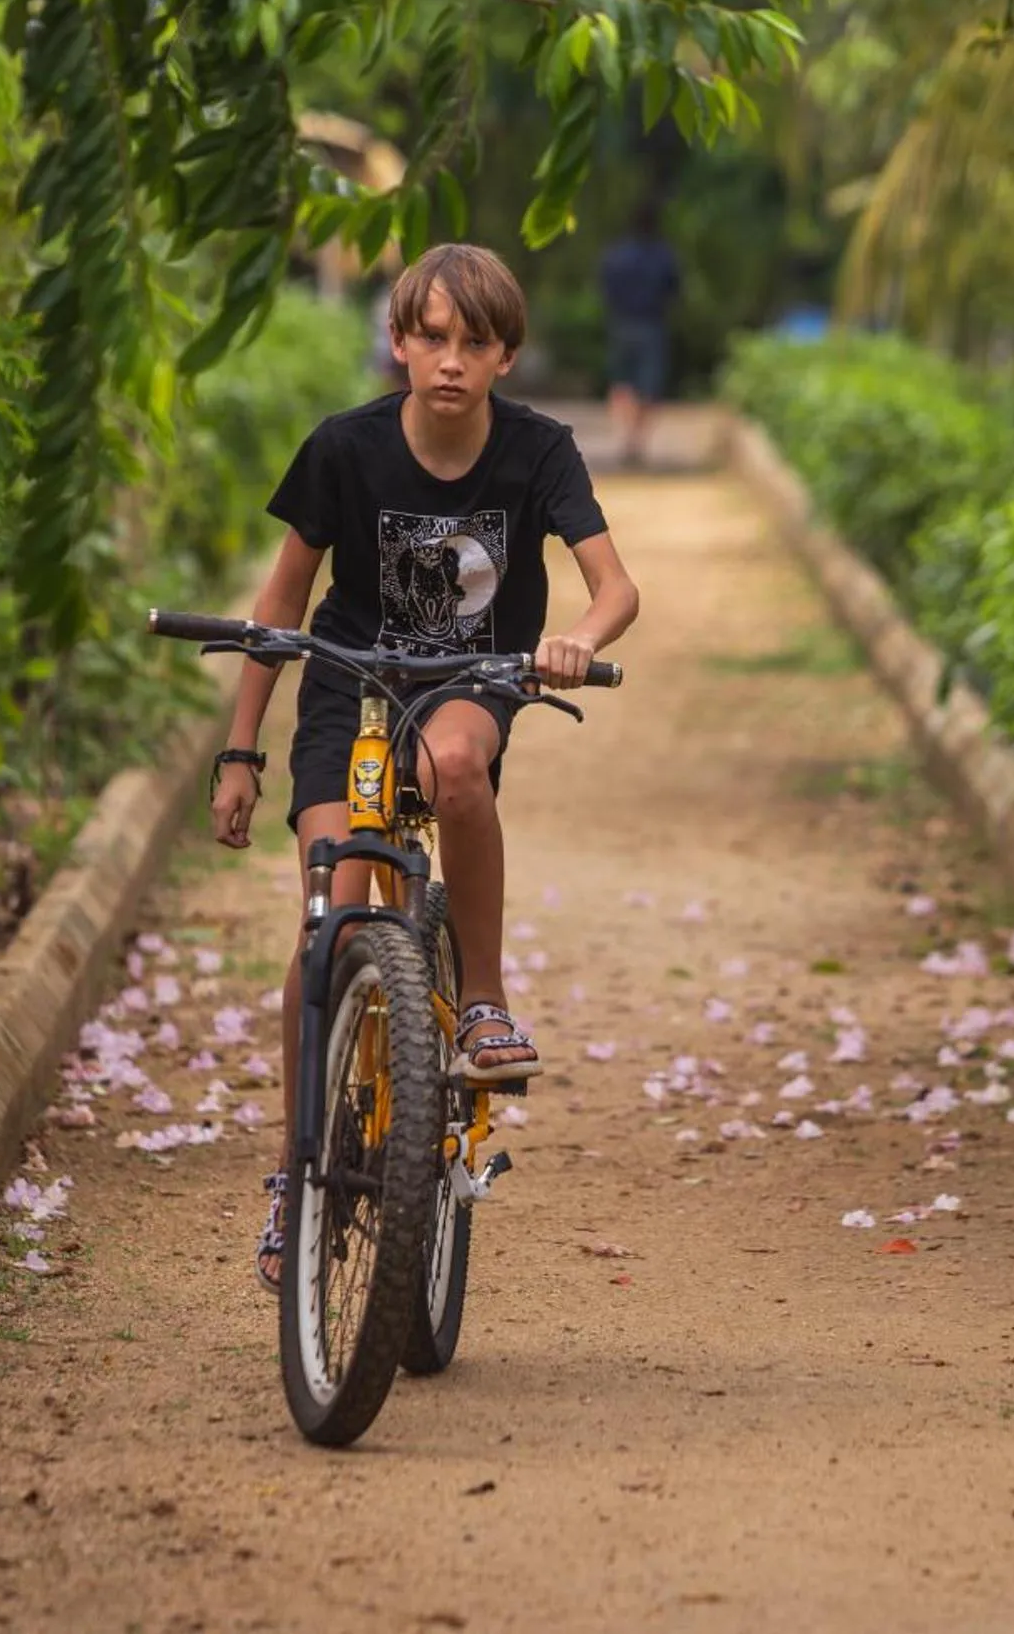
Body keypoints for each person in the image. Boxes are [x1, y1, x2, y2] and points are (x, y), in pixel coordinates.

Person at [208, 242, 641, 1292]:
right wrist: (239, 749)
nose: (451, 360)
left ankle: (482, 998)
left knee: (455, 764)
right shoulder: (343, 450)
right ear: (398, 343)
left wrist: (575, 637)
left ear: (506, 355)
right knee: (330, 919)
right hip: (347, 683)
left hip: (471, 676)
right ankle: (294, 1166)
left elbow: (614, 585)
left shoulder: (539, 454)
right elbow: (279, 606)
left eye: (475, 341)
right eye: (432, 337)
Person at [597, 200, 683, 468]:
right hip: (652, 324)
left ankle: (627, 438)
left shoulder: (615, 255)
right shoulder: (664, 256)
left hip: (621, 323)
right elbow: (675, 291)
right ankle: (638, 440)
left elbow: (605, 288)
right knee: (649, 386)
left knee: (621, 383)